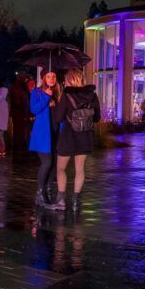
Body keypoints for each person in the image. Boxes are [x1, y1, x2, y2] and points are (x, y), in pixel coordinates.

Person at [47, 68, 99, 211]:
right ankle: (76, 202)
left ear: (69, 80)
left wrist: (56, 104)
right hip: (85, 135)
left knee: (61, 168)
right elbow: (97, 117)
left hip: (68, 135)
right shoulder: (92, 96)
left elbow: (58, 118)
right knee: (80, 169)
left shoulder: (66, 95)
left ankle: (61, 201)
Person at [29, 71, 60, 206]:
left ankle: (48, 191)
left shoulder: (58, 93)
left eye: (53, 76)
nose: (51, 79)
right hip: (43, 135)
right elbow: (34, 109)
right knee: (46, 163)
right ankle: (40, 194)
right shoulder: (37, 92)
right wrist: (47, 97)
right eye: (48, 76)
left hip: (56, 134)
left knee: (53, 164)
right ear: (43, 78)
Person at [9, 73, 32, 153]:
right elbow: (22, 101)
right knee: (20, 131)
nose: (26, 80)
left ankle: (18, 147)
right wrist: (26, 112)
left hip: (18, 113)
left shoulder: (16, 86)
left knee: (18, 131)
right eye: (25, 78)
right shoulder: (20, 87)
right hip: (20, 113)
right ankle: (19, 148)